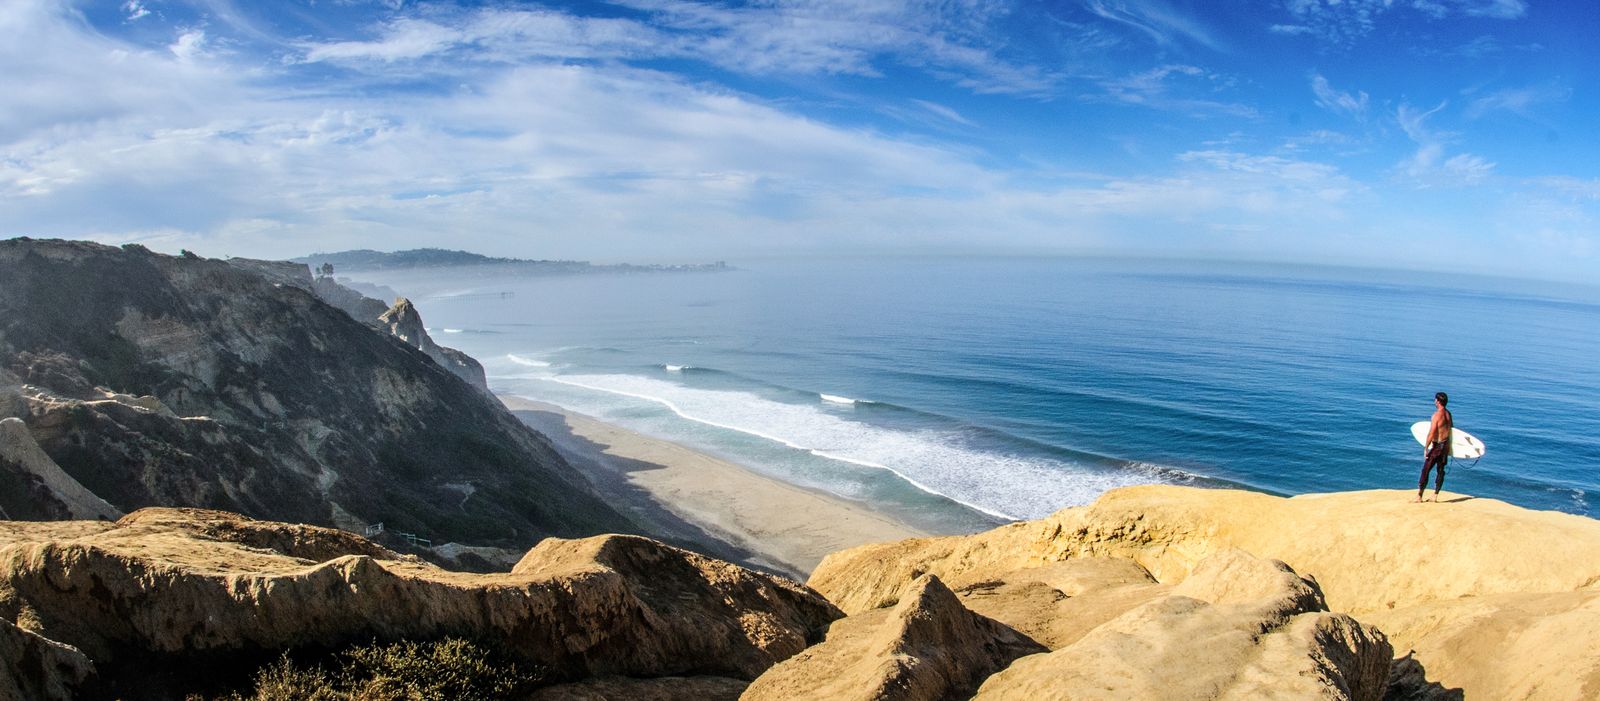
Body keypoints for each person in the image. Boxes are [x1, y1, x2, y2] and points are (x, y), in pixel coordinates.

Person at [1416, 392, 1453, 502]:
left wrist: (1426, 448)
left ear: (1438, 401)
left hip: (1438, 446)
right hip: (1445, 445)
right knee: (1440, 470)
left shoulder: (1436, 416)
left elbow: (1431, 433)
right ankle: (1435, 495)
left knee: (1426, 469)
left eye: (1435, 399)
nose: (1434, 401)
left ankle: (1419, 496)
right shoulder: (1448, 414)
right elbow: (1451, 429)